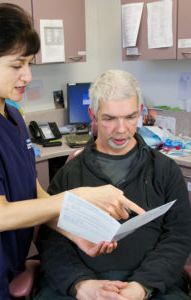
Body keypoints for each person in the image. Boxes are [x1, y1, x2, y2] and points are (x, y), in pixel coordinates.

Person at [0, 6, 145, 300]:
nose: (27, 76)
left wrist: (78, 237)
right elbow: (0, 216)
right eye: (16, 65)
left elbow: (36, 196)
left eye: (29, 63)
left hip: (9, 262)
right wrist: (79, 196)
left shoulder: (13, 115)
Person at [35, 70, 191, 300]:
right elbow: (52, 242)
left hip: (150, 286)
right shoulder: (69, 175)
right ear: (93, 115)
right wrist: (81, 284)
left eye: (130, 117)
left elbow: (179, 236)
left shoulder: (165, 170)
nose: (121, 129)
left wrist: (142, 287)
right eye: (109, 118)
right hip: (84, 286)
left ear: (139, 112)